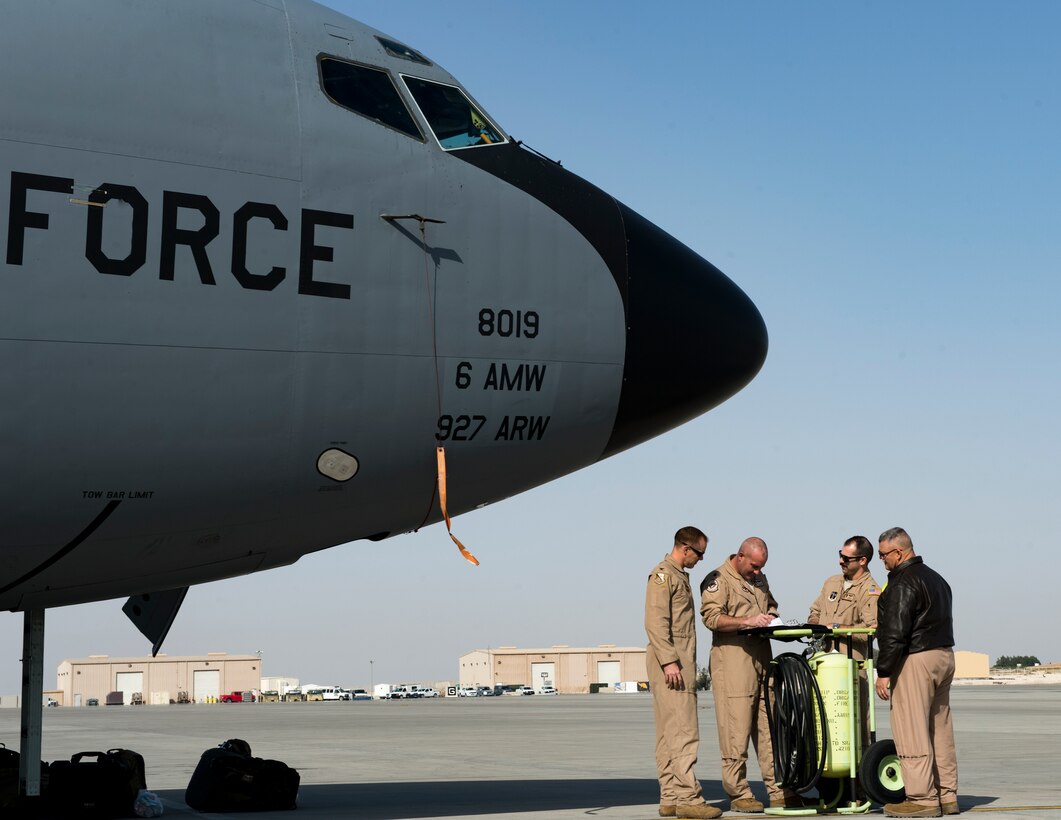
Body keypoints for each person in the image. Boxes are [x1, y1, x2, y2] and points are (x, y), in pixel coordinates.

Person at [700, 538, 805, 812]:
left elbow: (770, 605)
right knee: (736, 730)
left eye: (761, 568)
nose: (757, 572)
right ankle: (739, 792)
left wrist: (771, 618)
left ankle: (779, 789)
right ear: (741, 556)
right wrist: (746, 621)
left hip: (762, 660)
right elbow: (711, 618)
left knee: (770, 729)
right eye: (754, 566)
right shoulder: (718, 579)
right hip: (733, 662)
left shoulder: (759, 578)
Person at [874, 527, 958, 818]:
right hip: (944, 655)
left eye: (884, 555)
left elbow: (895, 632)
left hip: (916, 658)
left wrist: (884, 670)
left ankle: (922, 799)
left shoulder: (903, 583)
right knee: (940, 730)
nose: (882, 561)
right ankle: (947, 796)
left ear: (899, 552)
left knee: (911, 730)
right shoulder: (938, 579)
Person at [645, 527, 722, 820]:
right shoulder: (663, 575)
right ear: (685, 548)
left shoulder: (677, 575)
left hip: (676, 660)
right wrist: (669, 662)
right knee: (683, 730)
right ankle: (689, 799)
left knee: (668, 733)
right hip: (672, 662)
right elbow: (655, 622)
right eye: (699, 553)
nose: (701, 559)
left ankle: (671, 797)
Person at [808, 535, 881, 770]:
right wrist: (815, 625)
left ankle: (860, 784)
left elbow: (872, 630)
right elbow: (815, 610)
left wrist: (838, 630)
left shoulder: (870, 591)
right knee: (825, 724)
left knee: (855, 725)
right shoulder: (831, 583)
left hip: (851, 669)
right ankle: (829, 780)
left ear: (862, 560)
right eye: (839, 555)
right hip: (824, 666)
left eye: (846, 558)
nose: (840, 561)